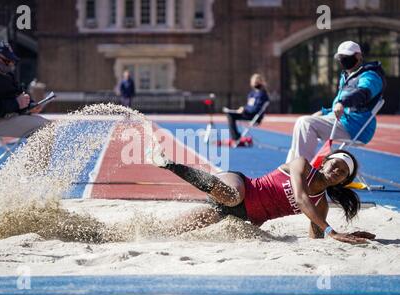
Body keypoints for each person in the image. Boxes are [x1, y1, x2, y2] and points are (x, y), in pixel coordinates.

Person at [148, 148, 375, 245]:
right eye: (335, 165)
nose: (336, 172)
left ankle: (118, 233)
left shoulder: (321, 206)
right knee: (232, 196)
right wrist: (332, 231)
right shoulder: (302, 165)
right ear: (325, 162)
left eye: (342, 173)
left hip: (236, 214)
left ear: (343, 181)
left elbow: (315, 241)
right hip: (238, 186)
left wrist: (343, 237)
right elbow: (299, 197)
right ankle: (169, 164)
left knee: (165, 230)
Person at [286, 41, 386, 163]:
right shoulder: (346, 76)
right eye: (340, 57)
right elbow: (339, 105)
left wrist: (343, 103)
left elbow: (363, 93)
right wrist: (324, 112)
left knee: (305, 123)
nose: (343, 60)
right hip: (341, 121)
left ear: (359, 56)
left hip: (355, 126)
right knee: (301, 123)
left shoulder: (370, 76)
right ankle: (290, 171)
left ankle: (302, 172)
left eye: (346, 57)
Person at [224, 73, 270, 141]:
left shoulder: (262, 94)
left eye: (256, 82)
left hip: (253, 116)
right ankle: (236, 136)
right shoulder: (252, 93)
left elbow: (256, 108)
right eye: (253, 82)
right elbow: (249, 105)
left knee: (230, 115)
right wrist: (242, 108)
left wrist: (244, 110)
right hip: (247, 113)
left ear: (260, 82)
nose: (254, 84)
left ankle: (235, 137)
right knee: (229, 113)